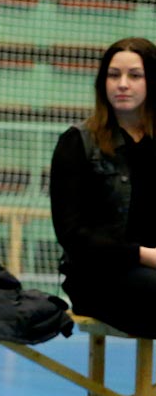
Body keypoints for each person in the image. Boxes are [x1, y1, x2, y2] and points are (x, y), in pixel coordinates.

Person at [50, 36, 156, 337]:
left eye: (135, 75)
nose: (122, 84)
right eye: (113, 75)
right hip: (97, 277)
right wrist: (144, 255)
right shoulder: (77, 143)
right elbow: (72, 235)